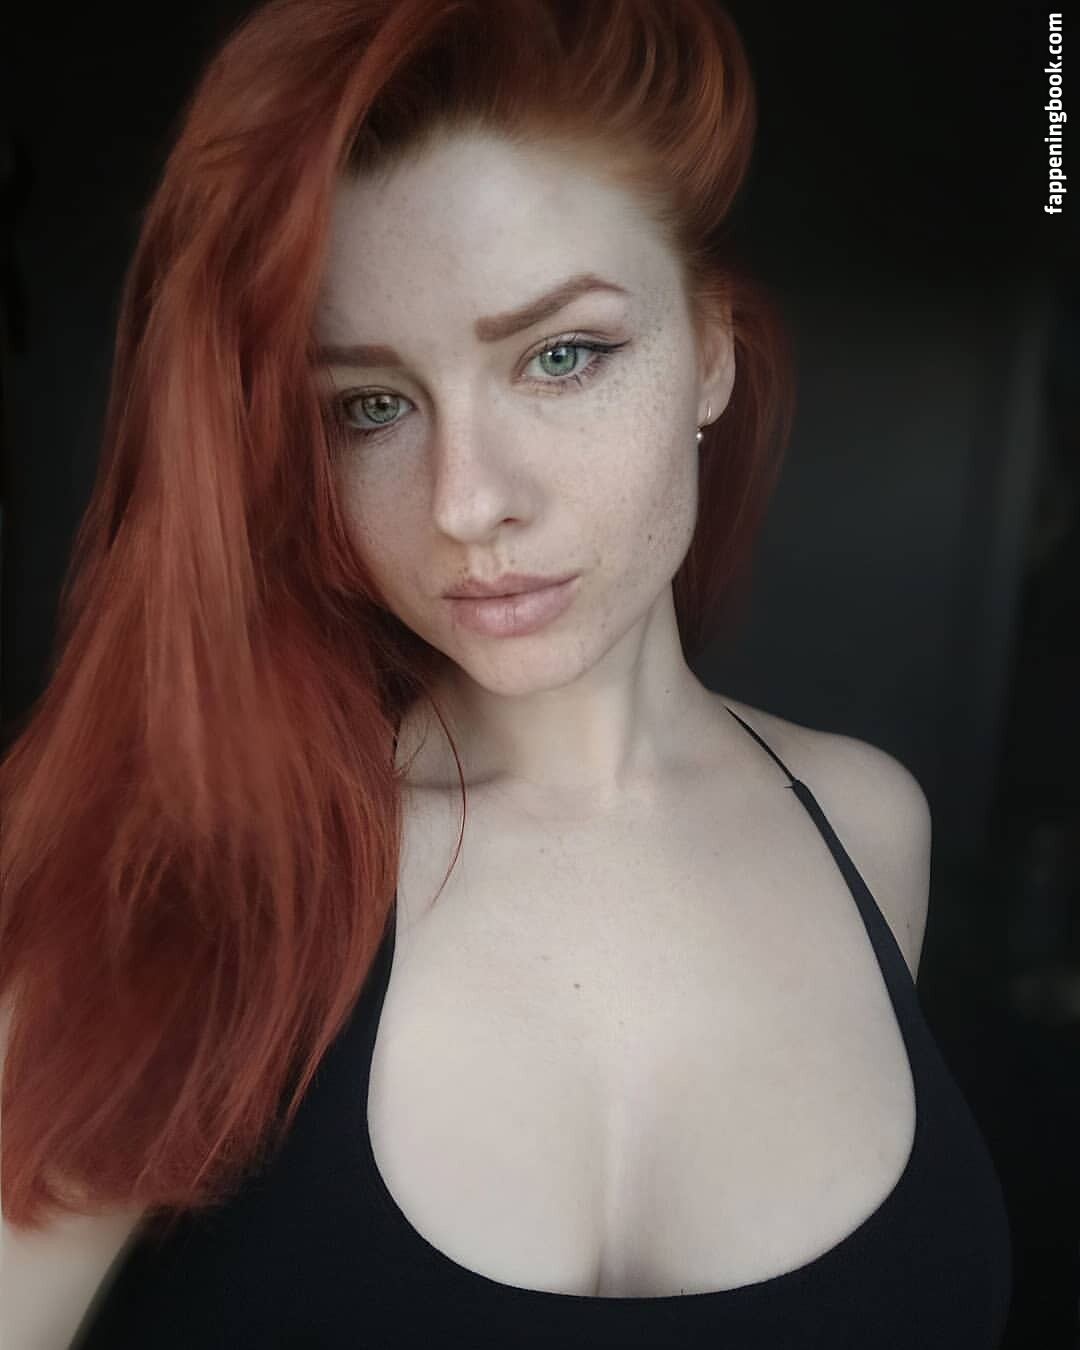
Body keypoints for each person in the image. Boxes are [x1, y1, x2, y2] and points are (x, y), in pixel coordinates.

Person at [0, 0, 1012, 1345]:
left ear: (711, 351)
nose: (466, 502)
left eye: (561, 355)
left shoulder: (873, 827)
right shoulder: (198, 882)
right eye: (372, 404)